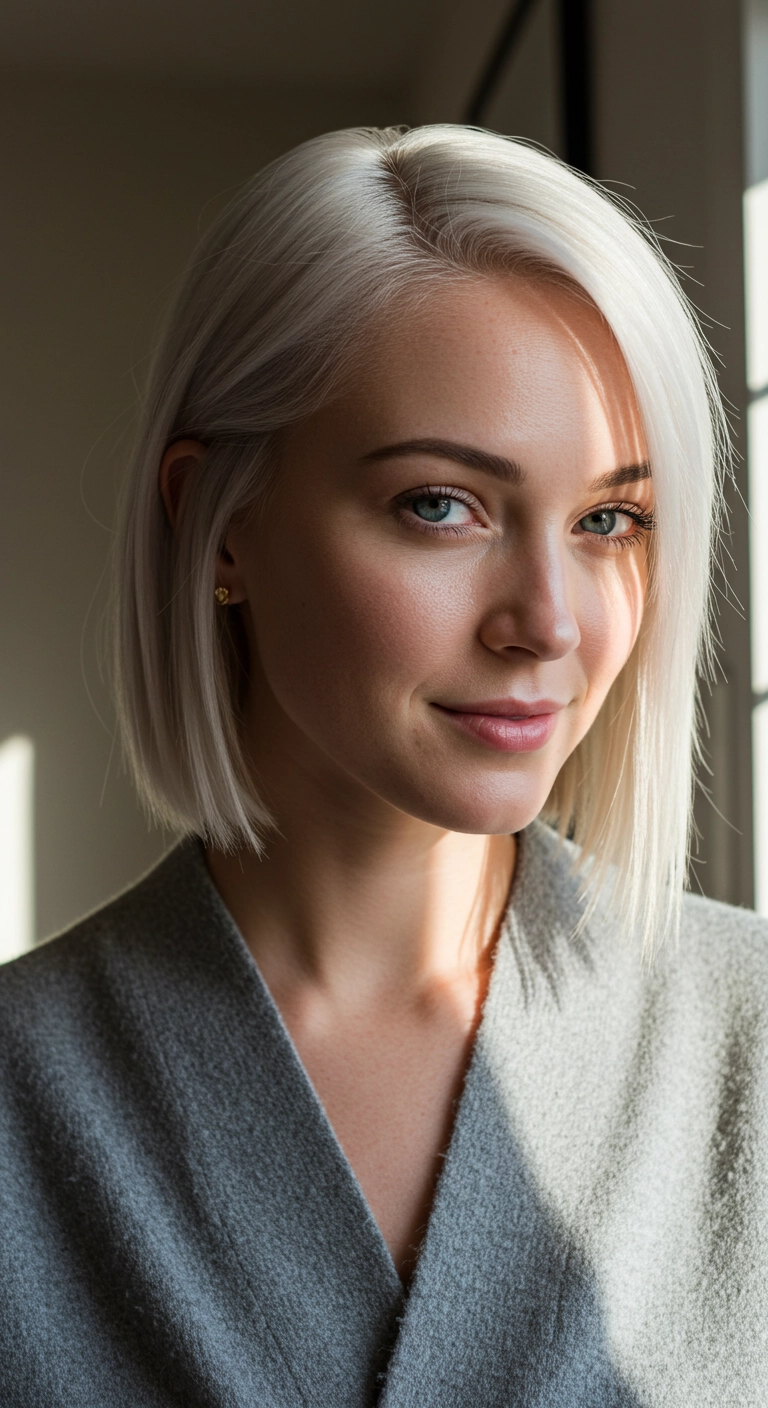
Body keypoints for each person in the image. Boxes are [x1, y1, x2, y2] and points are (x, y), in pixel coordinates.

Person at [0, 124, 765, 1408]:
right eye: (441, 505)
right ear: (218, 520)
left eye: (608, 521)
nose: (551, 621)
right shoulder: (26, 1108)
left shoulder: (750, 1041)